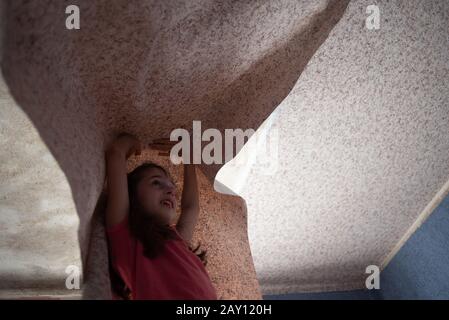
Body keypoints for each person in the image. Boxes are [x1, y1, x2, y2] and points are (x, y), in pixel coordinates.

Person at [104, 133, 218, 300]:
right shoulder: (127, 235)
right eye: (156, 182)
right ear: (131, 195)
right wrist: (134, 139)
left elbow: (190, 208)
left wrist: (189, 159)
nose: (171, 190)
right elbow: (116, 153)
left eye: (172, 186)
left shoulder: (175, 240)